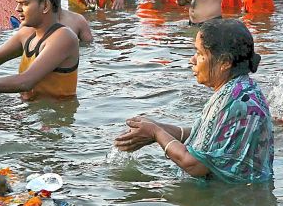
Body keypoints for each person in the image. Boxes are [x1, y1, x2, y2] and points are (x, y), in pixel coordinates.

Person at [114, 19, 274, 184]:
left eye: (200, 54)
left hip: (232, 198)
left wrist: (156, 133)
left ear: (225, 62)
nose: (192, 60)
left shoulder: (234, 100)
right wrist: (157, 129)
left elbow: (195, 165)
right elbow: (209, 136)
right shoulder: (242, 87)